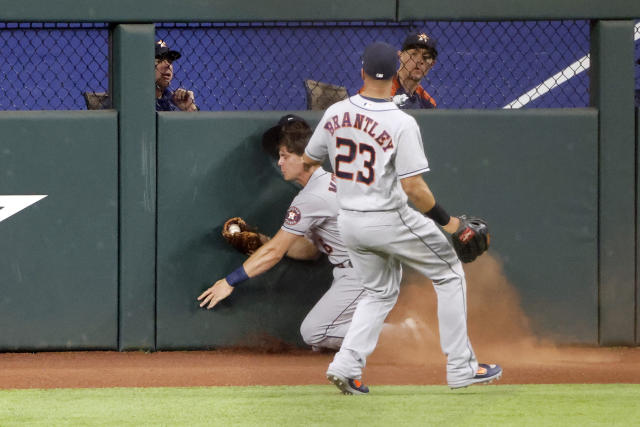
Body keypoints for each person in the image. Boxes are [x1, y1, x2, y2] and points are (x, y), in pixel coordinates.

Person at [302, 41, 501, 395]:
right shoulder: (401, 121)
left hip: (349, 222)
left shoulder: (334, 114)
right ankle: (462, 368)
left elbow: (308, 160)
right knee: (450, 273)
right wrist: (451, 224)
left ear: (361, 72)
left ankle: (346, 366)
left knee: (378, 293)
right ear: (395, 74)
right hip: (387, 217)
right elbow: (414, 188)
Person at [197, 114, 364, 351]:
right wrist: (265, 241)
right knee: (323, 338)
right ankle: (393, 333)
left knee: (316, 333)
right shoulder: (328, 184)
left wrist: (229, 281)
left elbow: (275, 252)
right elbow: (308, 251)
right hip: (360, 269)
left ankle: (399, 336)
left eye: (285, 156)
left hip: (365, 272)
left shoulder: (311, 197)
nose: (279, 162)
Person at [391, 32, 438, 109]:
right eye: (414, 54)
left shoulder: (428, 104)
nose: (420, 60)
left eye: (426, 57)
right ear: (400, 56)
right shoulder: (383, 91)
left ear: (432, 64)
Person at [155, 40, 198, 112]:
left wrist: (189, 110)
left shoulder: (173, 102)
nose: (168, 65)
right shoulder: (133, 100)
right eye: (159, 60)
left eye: (169, 61)